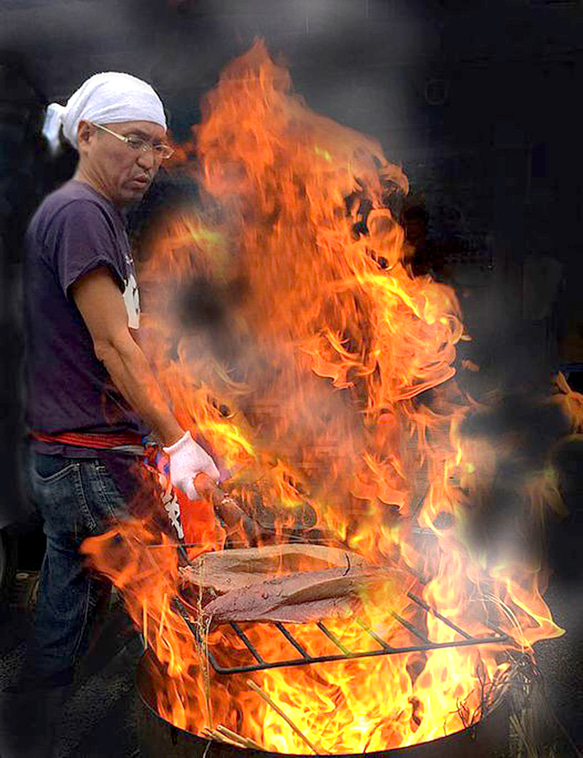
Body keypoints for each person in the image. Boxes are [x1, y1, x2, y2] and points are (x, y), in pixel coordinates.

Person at [0, 71, 220, 757]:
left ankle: (32, 723)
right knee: (173, 586)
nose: (151, 161)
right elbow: (111, 345)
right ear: (87, 135)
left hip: (59, 455)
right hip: (92, 457)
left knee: (66, 585)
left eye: (159, 147)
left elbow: (111, 341)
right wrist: (177, 439)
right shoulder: (80, 213)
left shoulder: (82, 212)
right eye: (136, 142)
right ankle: (207, 723)